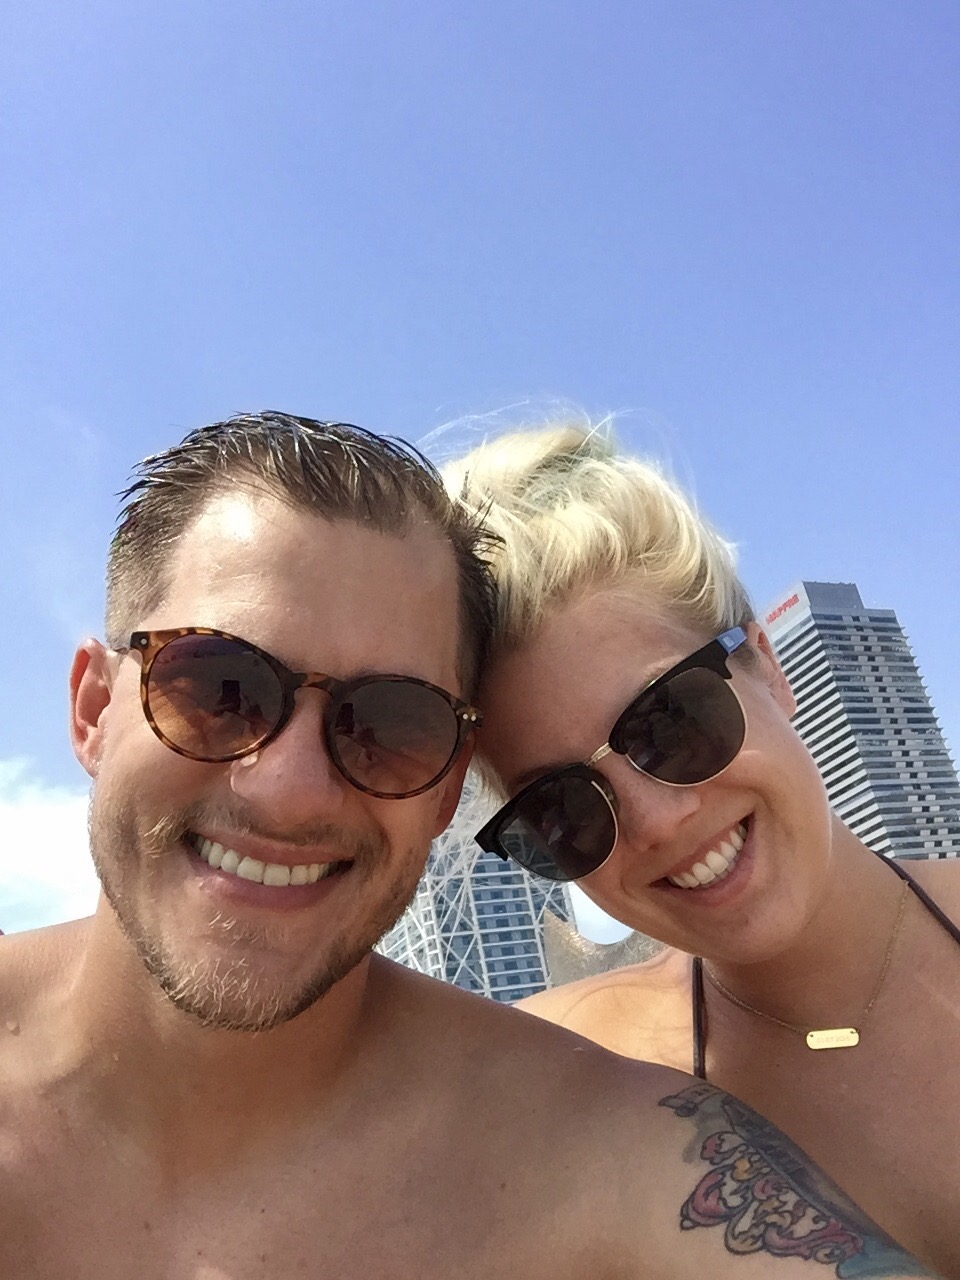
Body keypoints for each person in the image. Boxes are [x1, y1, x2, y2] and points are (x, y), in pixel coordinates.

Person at [0, 413, 932, 1280]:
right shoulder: (595, 1056)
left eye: (391, 723)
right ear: (92, 708)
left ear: (444, 792)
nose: (289, 789)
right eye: (217, 687)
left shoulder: (600, 1139)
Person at [444, 419, 960, 1279]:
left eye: (672, 720)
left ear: (767, 666)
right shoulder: (565, 1081)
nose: (656, 822)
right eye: (564, 806)